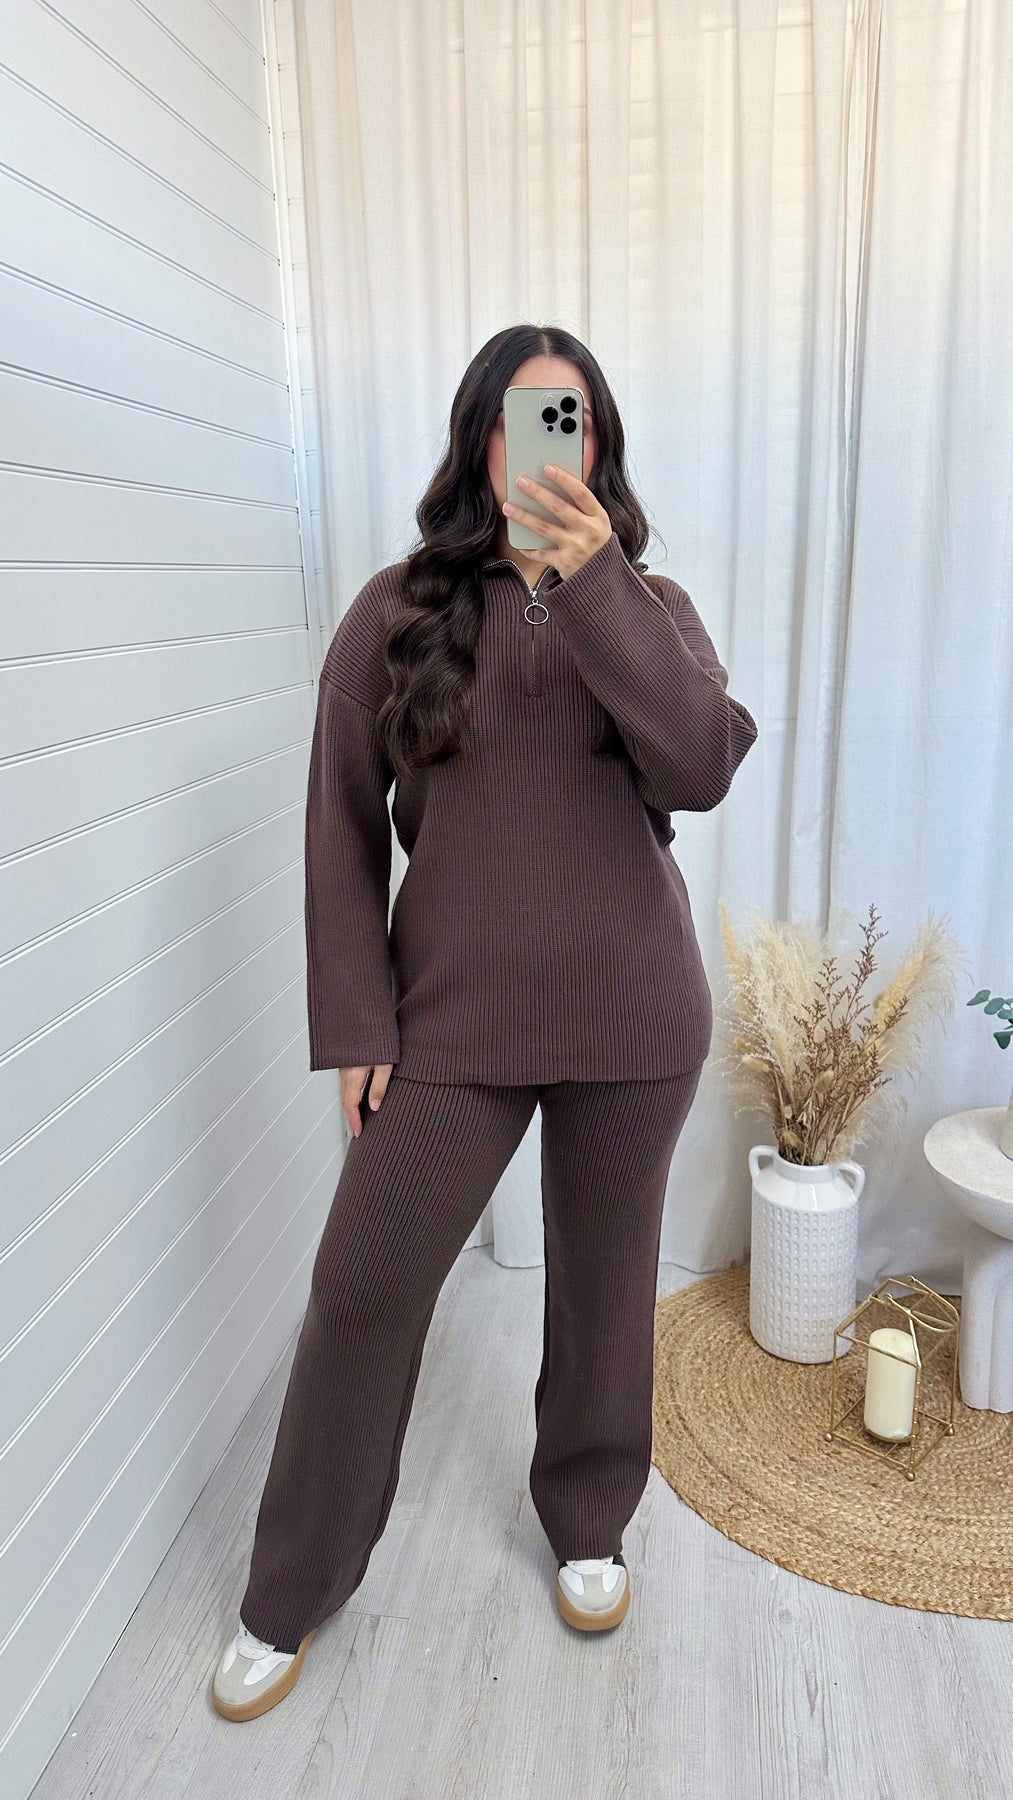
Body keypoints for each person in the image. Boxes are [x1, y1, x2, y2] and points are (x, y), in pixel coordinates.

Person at [211, 323, 758, 1721]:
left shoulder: (650, 604)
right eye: (525, 416)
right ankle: (290, 1589)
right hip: (450, 1023)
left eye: (574, 419)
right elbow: (340, 828)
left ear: (600, 445)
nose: (549, 444)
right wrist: (358, 1022)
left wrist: (595, 585)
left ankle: (588, 1519)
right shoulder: (395, 612)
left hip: (631, 1016)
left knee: (603, 1288)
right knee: (362, 1291)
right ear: (480, 438)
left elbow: (699, 766)